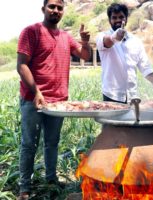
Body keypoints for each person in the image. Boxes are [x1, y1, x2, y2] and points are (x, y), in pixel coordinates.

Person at [16, 0, 91, 199]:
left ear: (63, 12)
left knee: (52, 142)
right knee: (28, 144)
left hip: (58, 102)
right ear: (43, 9)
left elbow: (84, 54)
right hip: (33, 100)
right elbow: (21, 65)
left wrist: (84, 42)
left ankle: (51, 179)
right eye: (52, 6)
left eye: (59, 7)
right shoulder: (31, 32)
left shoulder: (66, 37)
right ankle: (24, 187)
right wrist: (37, 92)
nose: (55, 10)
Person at [96, 3, 153, 104]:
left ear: (126, 19)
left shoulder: (135, 41)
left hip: (132, 96)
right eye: (114, 17)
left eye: (121, 17)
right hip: (111, 96)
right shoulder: (102, 36)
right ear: (109, 20)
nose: (117, 20)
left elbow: (145, 67)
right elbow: (106, 42)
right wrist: (114, 37)